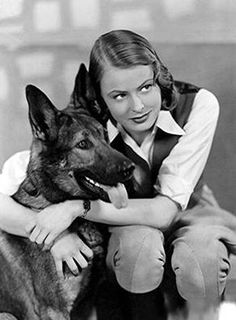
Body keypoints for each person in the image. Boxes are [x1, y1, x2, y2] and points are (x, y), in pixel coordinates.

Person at [0, 29, 236, 319]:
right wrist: (55, 236)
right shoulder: (93, 119)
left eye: (146, 87)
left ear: (158, 76)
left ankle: (202, 316)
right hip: (125, 224)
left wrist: (76, 208)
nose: (137, 106)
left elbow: (164, 212)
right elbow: (39, 167)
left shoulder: (198, 104)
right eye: (120, 95)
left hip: (187, 211)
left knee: (202, 263)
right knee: (138, 254)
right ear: (99, 97)